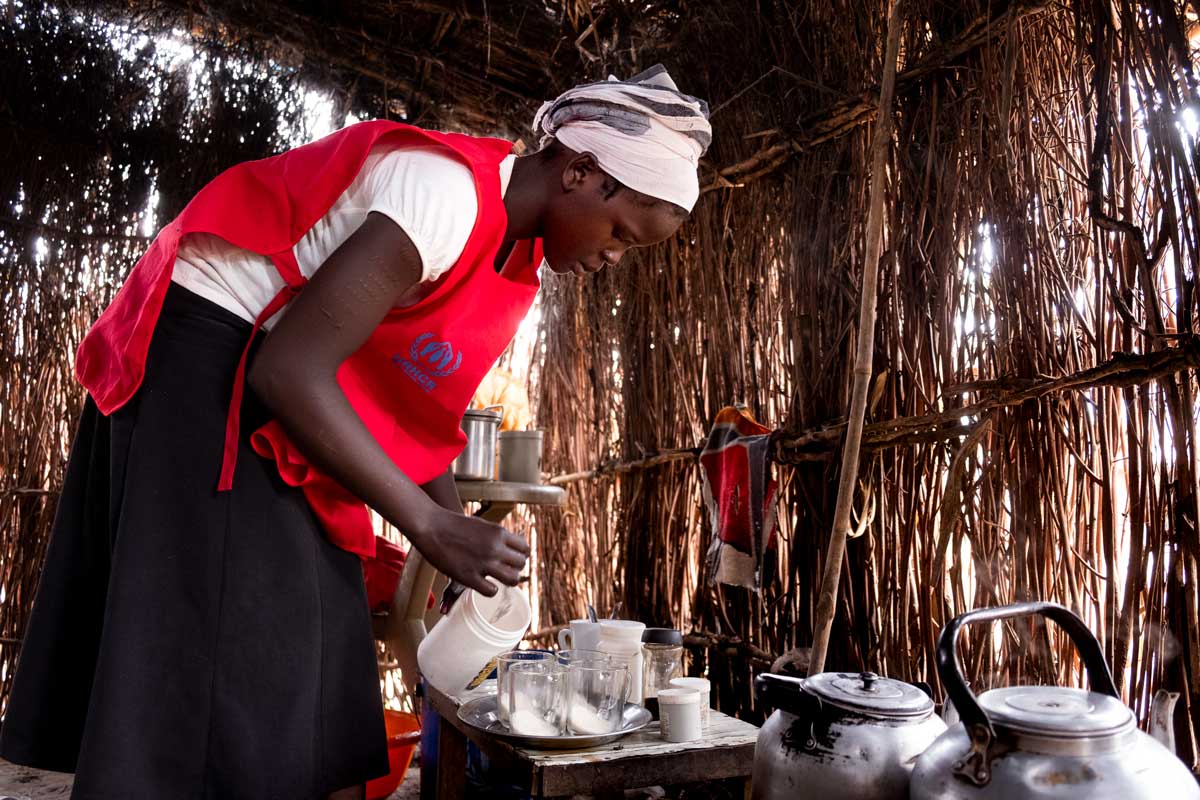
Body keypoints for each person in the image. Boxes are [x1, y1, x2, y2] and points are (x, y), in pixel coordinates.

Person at [0, 65, 710, 799]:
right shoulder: (445, 196)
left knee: (321, 651)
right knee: (230, 654)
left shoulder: (513, 260)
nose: (612, 257)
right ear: (582, 173)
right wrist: (428, 524)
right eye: (621, 231)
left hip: (272, 363)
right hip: (206, 350)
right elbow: (291, 369)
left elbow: (414, 404)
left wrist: (454, 539)